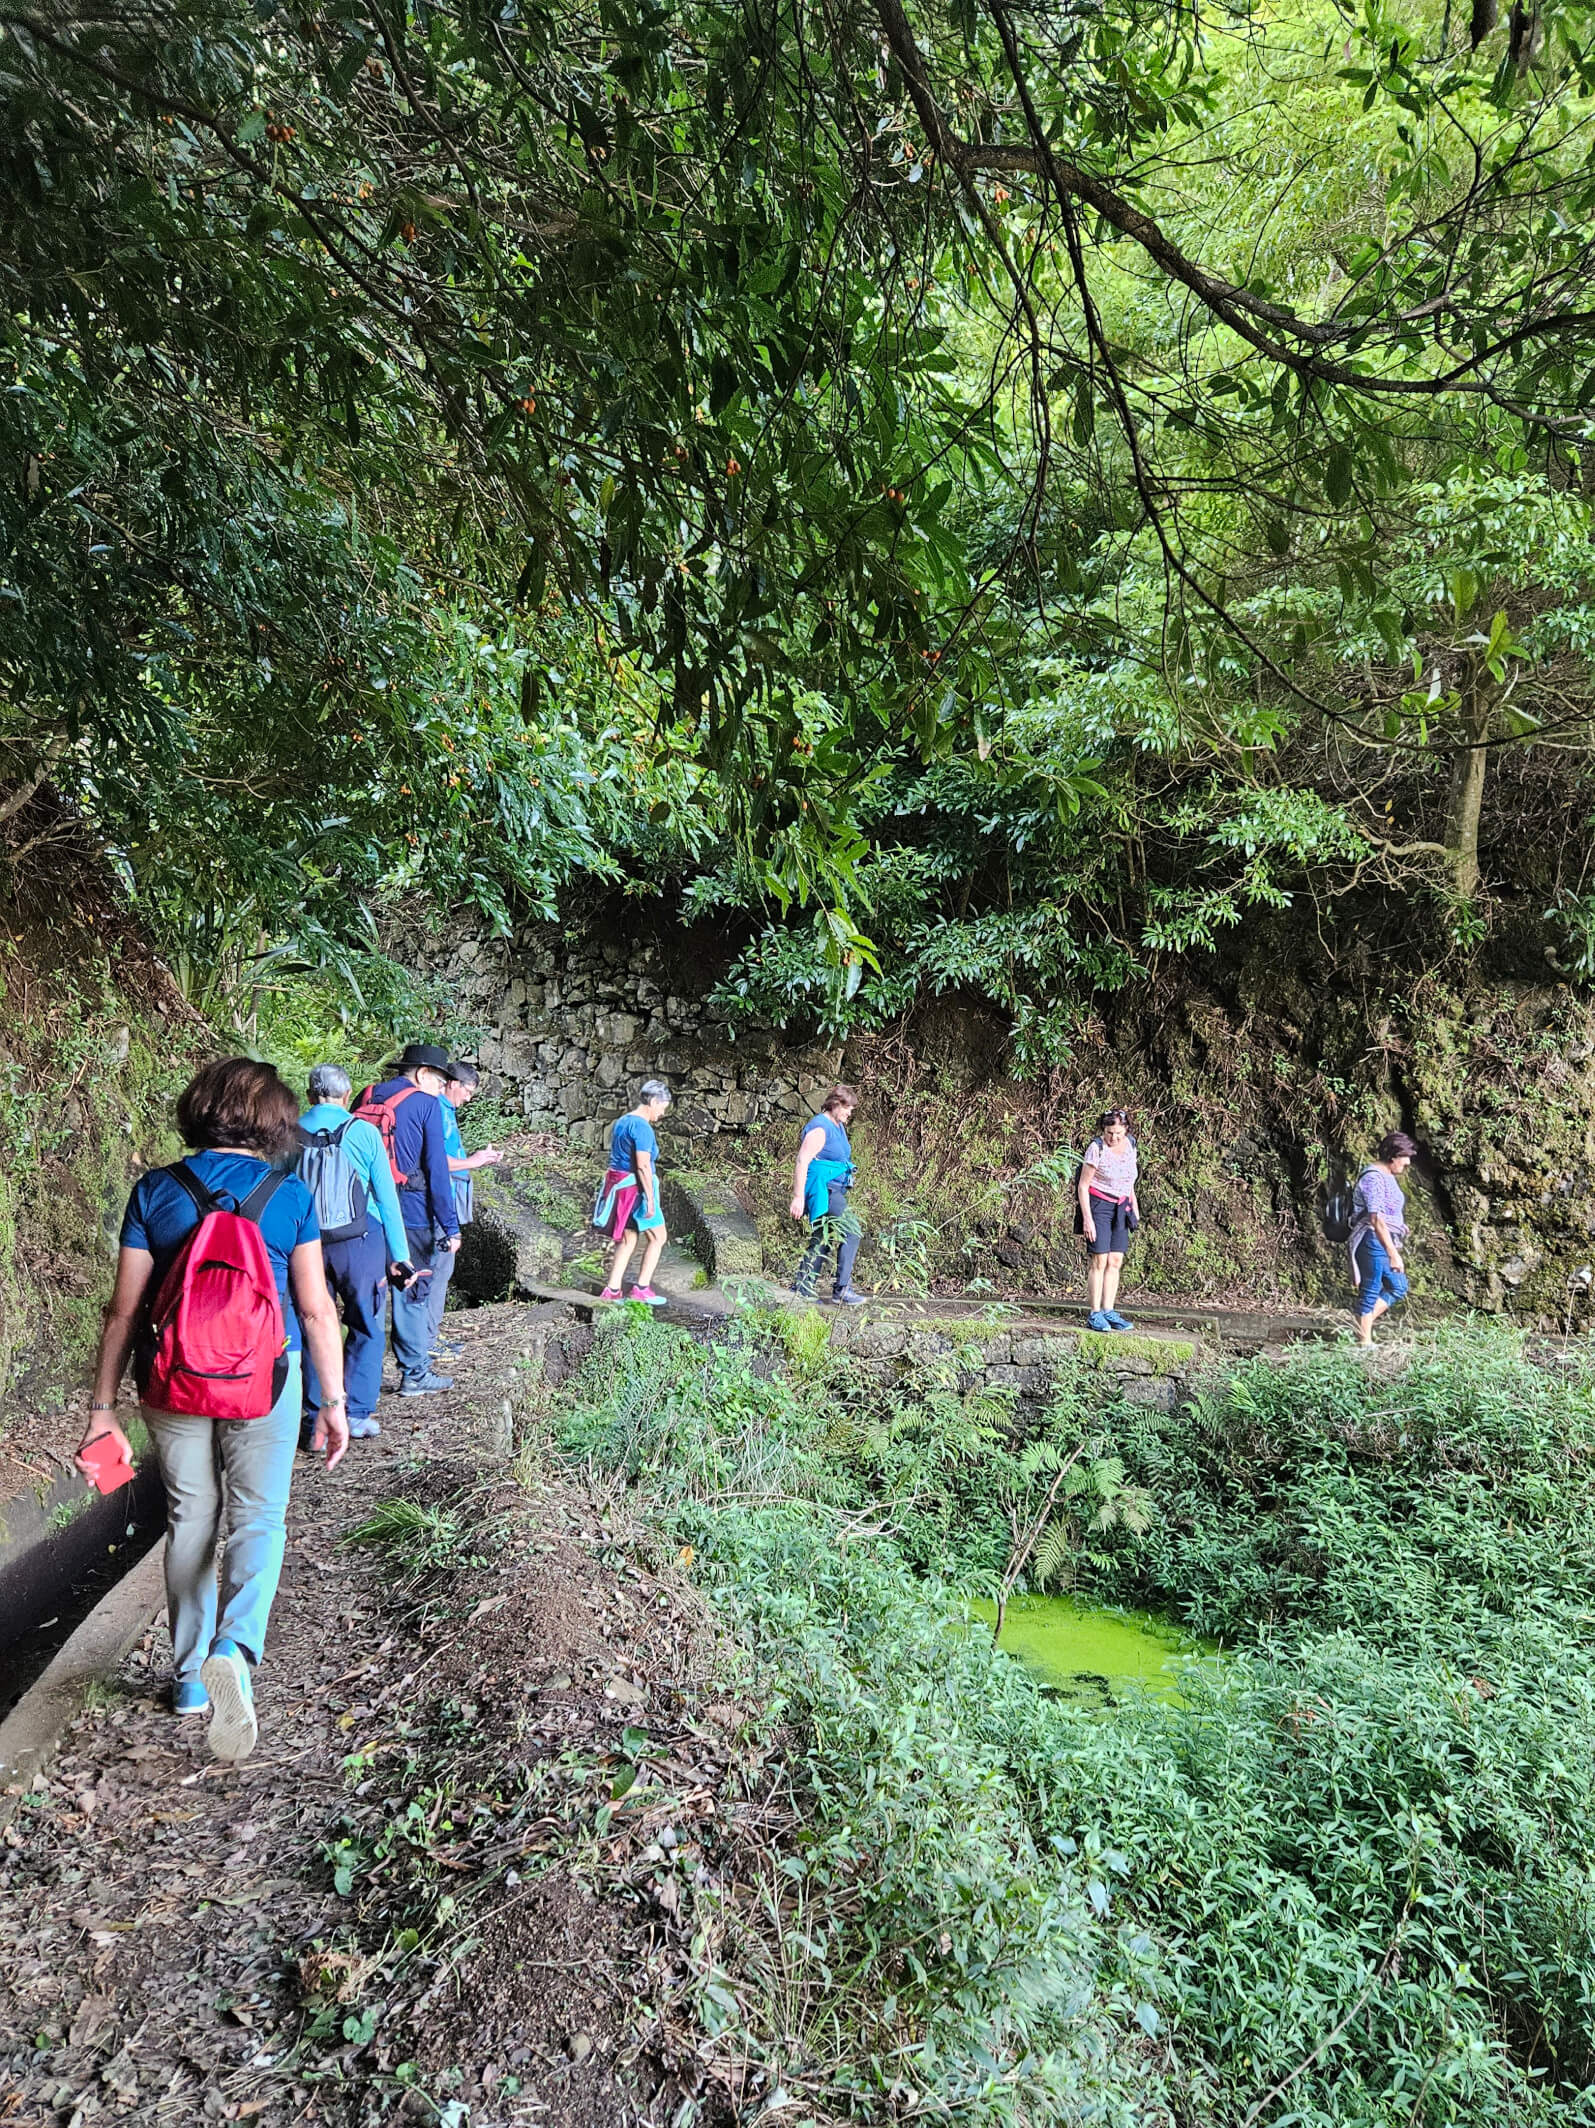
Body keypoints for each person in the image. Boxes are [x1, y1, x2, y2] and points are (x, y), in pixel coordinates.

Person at [73, 1058, 348, 1764]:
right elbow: (316, 1311)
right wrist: (333, 1402)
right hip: (267, 1377)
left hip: (172, 1378)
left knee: (190, 1515)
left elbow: (122, 1311)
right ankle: (235, 1647)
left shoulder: (155, 1190)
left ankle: (190, 1679)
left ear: (198, 1110)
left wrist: (102, 1409)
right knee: (258, 1515)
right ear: (275, 1121)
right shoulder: (289, 1194)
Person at [297, 1063, 417, 1445]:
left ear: (309, 1095)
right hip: (360, 1243)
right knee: (365, 1324)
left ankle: (315, 1419)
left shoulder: (288, 1133)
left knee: (313, 1325)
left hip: (306, 1245)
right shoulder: (363, 1132)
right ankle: (358, 1414)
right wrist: (400, 1254)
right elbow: (386, 1196)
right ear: (348, 1096)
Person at [356, 1041, 460, 1395]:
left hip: (362, 1212)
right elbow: (437, 1169)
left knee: (369, 1290)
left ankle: (361, 1380)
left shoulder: (366, 1095)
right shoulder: (426, 1104)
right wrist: (450, 1225)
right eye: (440, 1081)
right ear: (423, 1074)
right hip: (411, 1211)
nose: (442, 1089)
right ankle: (415, 1373)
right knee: (412, 1287)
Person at [428, 1060, 505, 1360]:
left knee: (442, 1269)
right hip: (439, 1203)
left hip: (448, 1200)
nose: (469, 1098)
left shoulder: (445, 1110)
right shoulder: (436, 1110)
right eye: (468, 1091)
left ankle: (430, 1333)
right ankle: (427, 1339)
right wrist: (473, 1162)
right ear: (452, 1083)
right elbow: (435, 1161)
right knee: (438, 1269)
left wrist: (478, 1158)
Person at [595, 1080, 671, 1304]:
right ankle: (642, 1288)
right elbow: (643, 1166)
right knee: (659, 1237)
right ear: (654, 1101)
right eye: (662, 1107)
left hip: (621, 1190)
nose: (662, 1113)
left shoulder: (623, 1121)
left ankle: (612, 1290)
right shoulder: (642, 1127)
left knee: (628, 1240)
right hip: (637, 1191)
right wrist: (650, 1200)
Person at [791, 1085, 866, 1306]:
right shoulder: (820, 1128)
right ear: (835, 1104)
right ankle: (842, 1289)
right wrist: (798, 1197)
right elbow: (802, 1161)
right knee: (852, 1231)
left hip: (833, 1189)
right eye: (847, 1107)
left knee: (823, 1235)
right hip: (823, 1190)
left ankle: (803, 1286)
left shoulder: (837, 1125)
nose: (850, 1112)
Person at [1350, 1131, 1417, 1346]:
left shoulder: (1387, 1176)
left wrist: (1398, 1225)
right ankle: (1364, 1342)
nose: (1407, 1162)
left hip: (1383, 1238)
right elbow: (1376, 1218)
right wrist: (1393, 1253)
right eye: (1405, 1157)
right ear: (1393, 1155)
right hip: (1372, 1238)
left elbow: (1387, 1213)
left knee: (1398, 1286)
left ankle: (1361, 1323)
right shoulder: (1373, 1177)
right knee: (1370, 1289)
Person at [1078, 1108, 1140, 1331]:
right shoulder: (1097, 1148)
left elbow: (1129, 1178)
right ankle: (1095, 1313)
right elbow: (1083, 1186)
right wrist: (1088, 1219)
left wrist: (1134, 1206)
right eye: (1109, 1133)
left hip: (1122, 1206)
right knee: (1099, 1260)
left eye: (1118, 1133)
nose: (1113, 1138)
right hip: (1099, 1206)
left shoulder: (1130, 1144)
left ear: (1126, 1131)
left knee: (1115, 1260)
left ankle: (1109, 1310)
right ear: (1103, 1130)